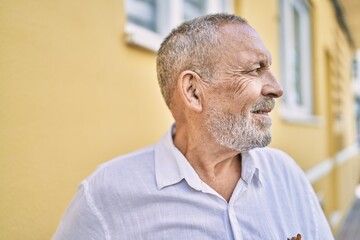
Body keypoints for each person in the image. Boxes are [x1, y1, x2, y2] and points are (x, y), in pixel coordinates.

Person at [52, 14, 334, 240]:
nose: (277, 88)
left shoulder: (287, 175)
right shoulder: (105, 196)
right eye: (254, 70)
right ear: (193, 92)